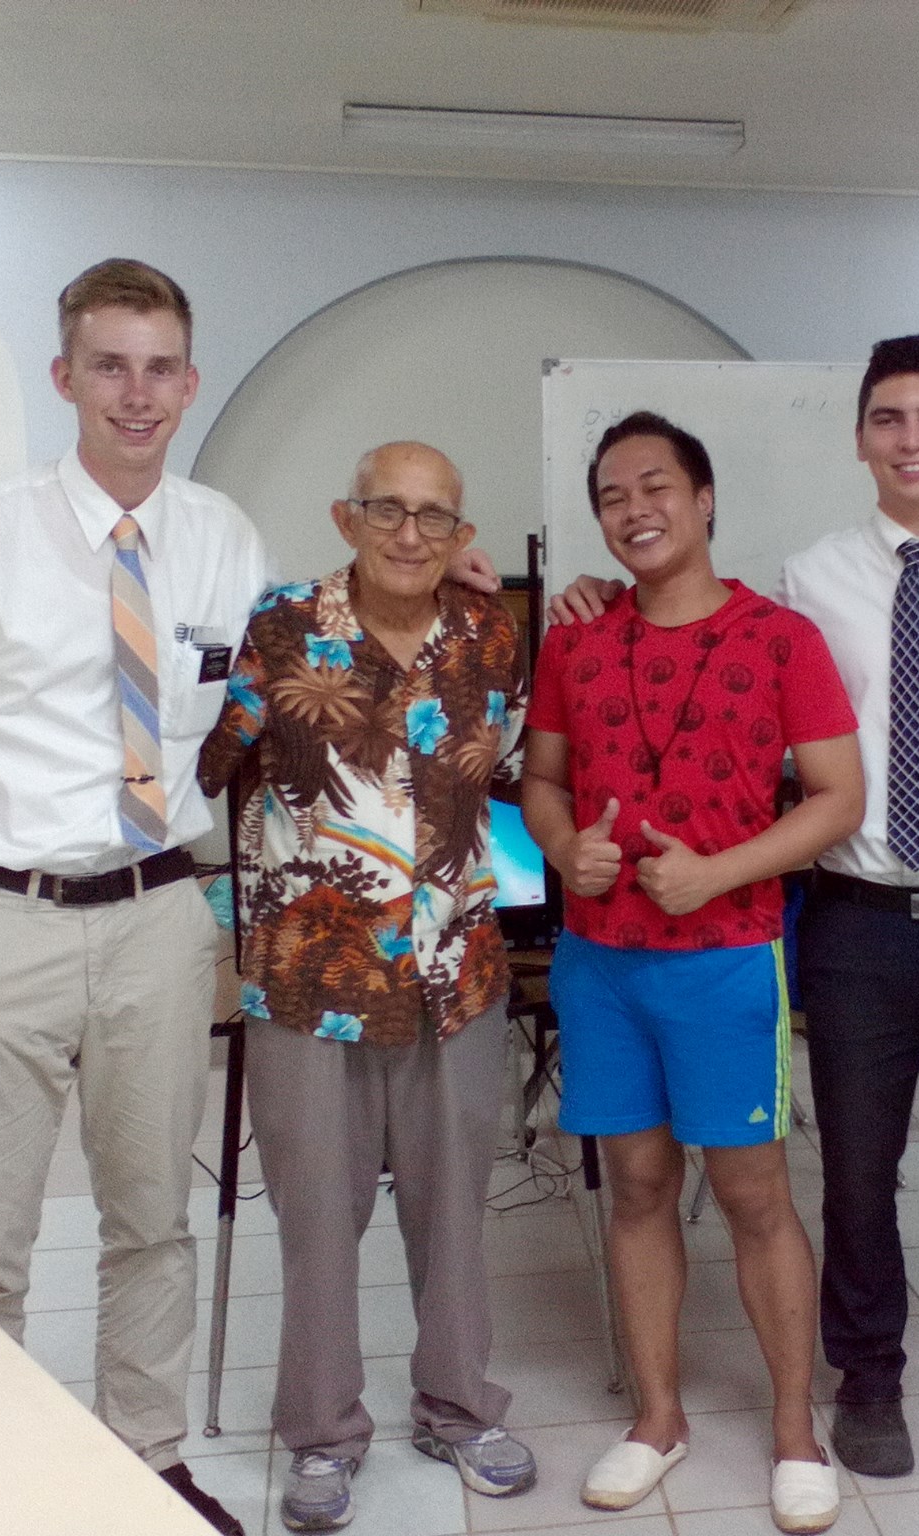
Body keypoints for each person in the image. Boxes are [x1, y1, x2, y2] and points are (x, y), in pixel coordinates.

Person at [551, 338, 919, 1482]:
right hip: (856, 923)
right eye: (886, 419)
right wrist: (595, 594)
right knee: (856, 1173)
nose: (910, 439)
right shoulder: (807, 581)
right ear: (858, 439)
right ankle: (866, 1380)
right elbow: (687, 628)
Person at [0, 258, 267, 1535]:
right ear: (65, 377)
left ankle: (147, 1461)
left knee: (151, 1220)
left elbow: (260, 688)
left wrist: (448, 562)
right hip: (0, 921)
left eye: (159, 368)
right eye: (109, 366)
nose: (136, 394)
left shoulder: (223, 536)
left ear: (189, 383)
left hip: (156, 918)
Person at [523, 412, 864, 1533]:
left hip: (726, 961)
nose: (636, 511)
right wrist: (563, 846)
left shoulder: (782, 640)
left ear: (704, 498)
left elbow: (837, 800)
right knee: (635, 1188)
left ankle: (794, 1431)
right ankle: (657, 1417)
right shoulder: (575, 641)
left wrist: (717, 872)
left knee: (756, 1194)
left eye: (656, 486)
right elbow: (542, 783)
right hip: (601, 964)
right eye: (612, 496)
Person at [195, 443, 537, 1533]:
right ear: (346, 517)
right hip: (311, 980)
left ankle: (459, 1407)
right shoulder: (280, 627)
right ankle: (322, 1432)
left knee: (454, 1214)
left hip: (455, 976)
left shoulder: (490, 634)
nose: (409, 533)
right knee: (317, 1218)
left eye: (435, 516)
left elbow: (515, 771)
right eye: (388, 509)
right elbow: (199, 761)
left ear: (461, 534)